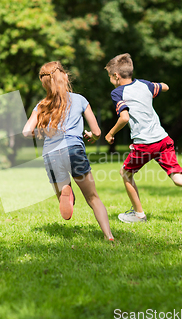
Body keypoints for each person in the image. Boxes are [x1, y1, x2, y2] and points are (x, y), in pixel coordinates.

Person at [105, 53, 182, 224]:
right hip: (163, 140)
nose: (111, 80)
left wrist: (110, 133)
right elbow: (165, 87)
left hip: (145, 143)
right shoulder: (144, 85)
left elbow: (124, 118)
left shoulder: (117, 92)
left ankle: (139, 215)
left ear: (116, 76)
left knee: (125, 173)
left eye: (110, 77)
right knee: (178, 178)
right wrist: (150, 88)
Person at [23, 61, 114, 240]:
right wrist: (92, 137)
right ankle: (108, 235)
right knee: (93, 198)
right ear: (64, 76)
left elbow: (26, 131)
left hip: (51, 154)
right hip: (74, 150)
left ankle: (66, 191)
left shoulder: (42, 104)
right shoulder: (79, 99)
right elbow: (96, 132)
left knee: (65, 195)